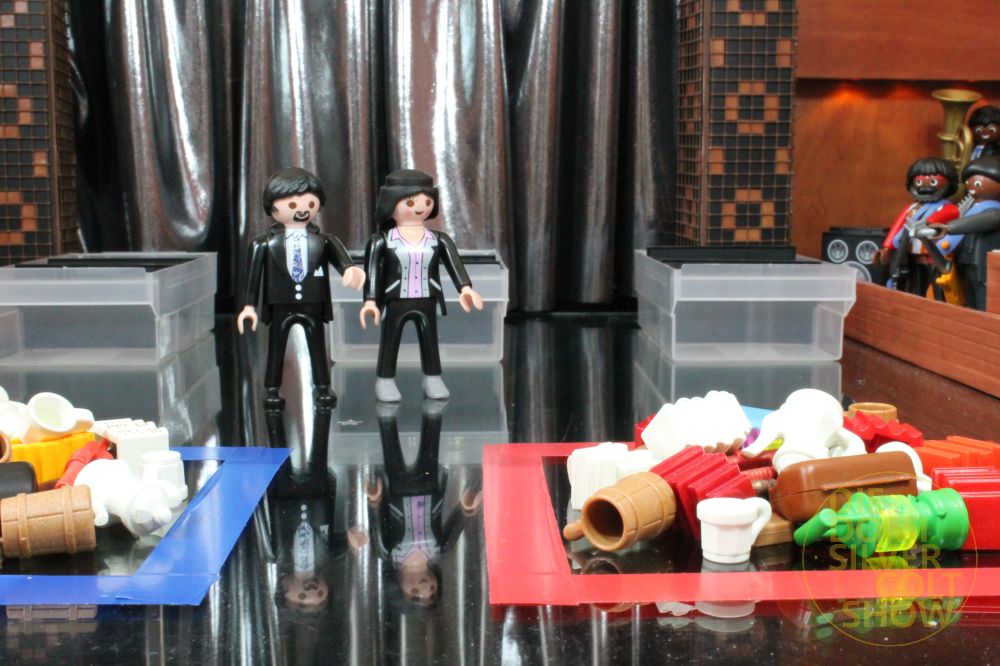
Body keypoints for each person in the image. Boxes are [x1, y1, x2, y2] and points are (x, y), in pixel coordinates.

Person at [238, 167, 365, 409]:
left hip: (313, 303)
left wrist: (351, 270)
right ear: (272, 206)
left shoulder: (325, 241)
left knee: (317, 347)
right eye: (293, 205)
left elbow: (343, 262)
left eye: (310, 203)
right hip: (279, 304)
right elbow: (253, 276)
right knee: (276, 348)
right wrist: (248, 306)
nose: (303, 210)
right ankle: (272, 388)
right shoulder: (263, 244)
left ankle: (323, 386)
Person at [359, 169, 483, 402]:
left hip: (427, 298)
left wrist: (465, 288)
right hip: (395, 299)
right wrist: (370, 301)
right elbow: (372, 272)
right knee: (391, 338)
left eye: (426, 201)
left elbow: (454, 264)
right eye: (410, 202)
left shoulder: (438, 239)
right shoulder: (382, 241)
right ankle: (385, 380)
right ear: (390, 203)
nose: (420, 207)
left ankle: (433, 377)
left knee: (429, 338)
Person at [919, 157, 1000, 310]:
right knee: (969, 300)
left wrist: (948, 228)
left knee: (983, 300)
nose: (972, 188)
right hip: (966, 261)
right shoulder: (972, 209)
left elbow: (984, 220)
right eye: (969, 183)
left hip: (983, 265)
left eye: (977, 184)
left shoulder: (994, 211)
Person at [878, 157, 962, 298]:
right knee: (914, 287)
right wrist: (887, 247)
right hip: (910, 257)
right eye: (919, 182)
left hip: (933, 258)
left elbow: (948, 215)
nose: (925, 187)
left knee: (936, 289)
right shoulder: (913, 208)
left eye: (933, 182)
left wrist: (927, 223)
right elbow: (898, 227)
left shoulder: (946, 207)